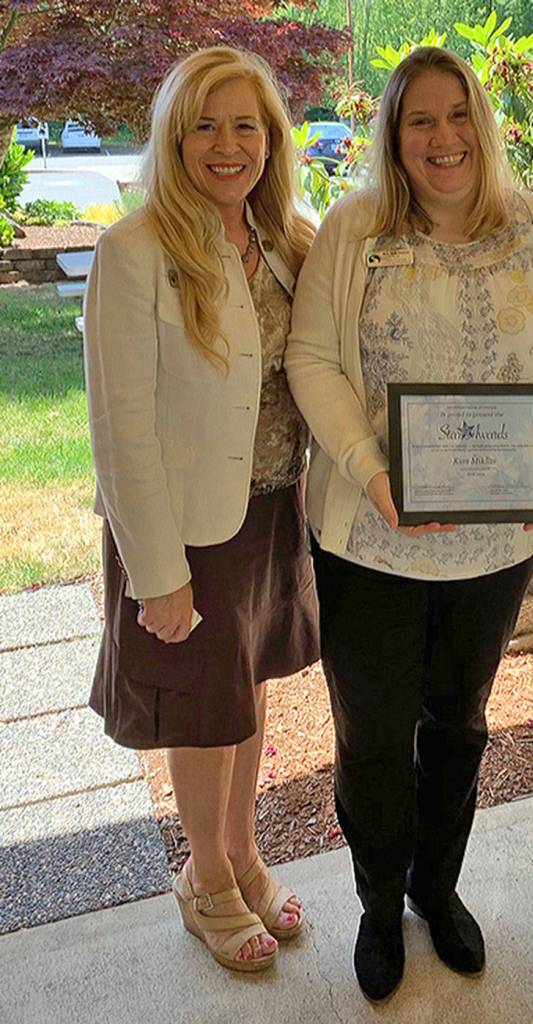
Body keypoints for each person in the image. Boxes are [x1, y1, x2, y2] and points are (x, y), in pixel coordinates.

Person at [286, 46, 533, 1001]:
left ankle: (437, 886)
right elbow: (311, 359)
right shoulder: (355, 230)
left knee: (459, 722)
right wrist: (369, 469)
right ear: (394, 136)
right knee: (375, 734)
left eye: (457, 114)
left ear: (483, 124)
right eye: (420, 120)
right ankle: (380, 903)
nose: (443, 137)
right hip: (371, 540)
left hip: (495, 544)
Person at [83, 46, 320, 973]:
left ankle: (243, 853)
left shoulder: (287, 240)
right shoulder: (135, 251)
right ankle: (206, 878)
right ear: (174, 140)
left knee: (247, 692)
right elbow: (120, 429)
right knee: (200, 709)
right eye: (205, 127)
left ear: (272, 140)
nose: (228, 146)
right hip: (186, 527)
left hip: (271, 508)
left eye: (246, 126)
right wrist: (158, 573)